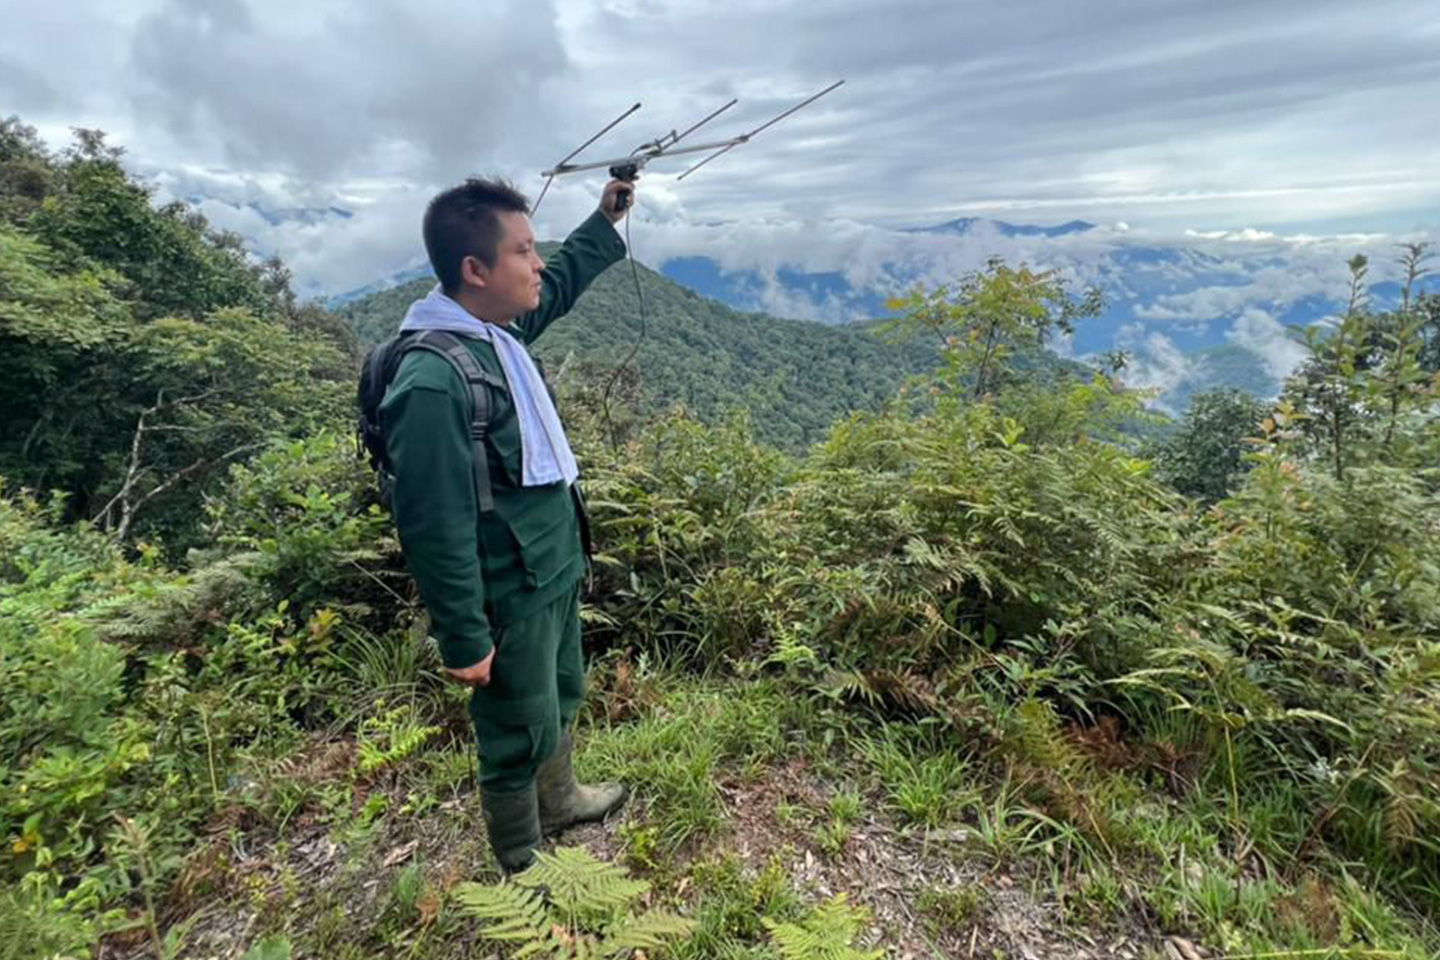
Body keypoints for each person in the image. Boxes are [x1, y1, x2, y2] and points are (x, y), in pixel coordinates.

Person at [380, 176, 634, 873]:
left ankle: (561, 800)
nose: (538, 263)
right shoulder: (434, 380)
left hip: (549, 568)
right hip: (505, 592)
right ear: (475, 270)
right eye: (524, 250)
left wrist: (603, 220)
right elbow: (433, 523)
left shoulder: (495, 331)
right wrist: (463, 635)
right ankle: (521, 862)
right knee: (513, 727)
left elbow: (555, 288)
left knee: (559, 692)